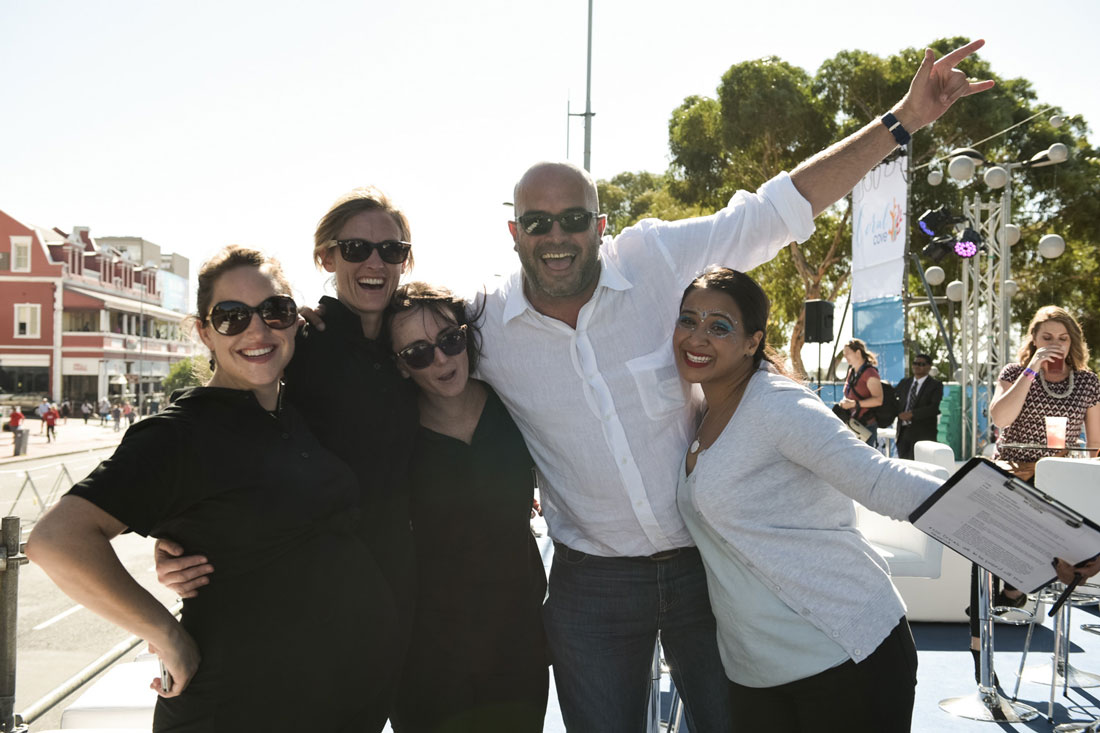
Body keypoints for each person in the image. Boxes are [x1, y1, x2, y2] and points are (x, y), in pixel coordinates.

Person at [469, 40, 992, 730]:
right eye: (538, 222)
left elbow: (779, 209)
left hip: (708, 566)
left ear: (601, 225)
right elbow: (402, 339)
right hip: (592, 581)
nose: (556, 236)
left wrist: (903, 120)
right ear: (514, 230)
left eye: (574, 219)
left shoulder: (656, 258)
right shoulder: (481, 325)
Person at [26, 246, 399, 731]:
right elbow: (56, 540)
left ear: (294, 321)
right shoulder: (181, 432)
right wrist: (165, 633)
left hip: (335, 705)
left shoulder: (291, 414)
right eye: (231, 317)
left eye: (275, 310)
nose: (257, 330)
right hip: (238, 710)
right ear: (204, 332)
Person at [155, 188, 420, 733]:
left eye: (392, 250)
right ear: (326, 257)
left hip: (400, 595)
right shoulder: (295, 343)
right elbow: (217, 433)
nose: (375, 262)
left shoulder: (419, 337)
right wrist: (179, 537)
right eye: (356, 248)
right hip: (300, 611)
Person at [671, 267, 941, 732]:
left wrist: (1022, 529)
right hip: (754, 672)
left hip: (847, 652)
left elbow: (879, 480)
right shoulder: (701, 410)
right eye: (688, 320)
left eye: (719, 326)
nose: (697, 338)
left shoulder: (777, 404)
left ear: (753, 342)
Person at [385, 282, 548, 733]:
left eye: (449, 340)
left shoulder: (513, 403)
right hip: (430, 657)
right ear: (400, 367)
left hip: (517, 643)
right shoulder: (392, 436)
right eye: (418, 353)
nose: (440, 359)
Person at [968, 306, 1100, 662]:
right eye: (1047, 338)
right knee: (981, 523)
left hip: (1058, 472)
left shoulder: (1087, 381)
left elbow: (1095, 445)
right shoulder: (1016, 372)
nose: (1056, 344)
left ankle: (1018, 585)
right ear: (1034, 340)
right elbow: (1000, 418)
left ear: (1072, 341)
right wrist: (1031, 369)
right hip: (1013, 468)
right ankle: (983, 631)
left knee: (1056, 504)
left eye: (1063, 338)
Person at [894, 352, 944, 459]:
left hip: (923, 433)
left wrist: (912, 414)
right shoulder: (905, 383)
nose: (917, 366)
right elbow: (894, 401)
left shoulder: (935, 385)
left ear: (929, 367)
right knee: (903, 464)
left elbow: (934, 408)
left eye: (921, 364)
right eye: (915, 363)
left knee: (919, 464)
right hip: (903, 432)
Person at [837, 339, 884, 447]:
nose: (845, 356)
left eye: (847, 353)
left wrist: (854, 404)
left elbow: (878, 400)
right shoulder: (852, 371)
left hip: (866, 427)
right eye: (844, 354)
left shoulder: (870, 372)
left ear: (858, 353)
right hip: (852, 425)